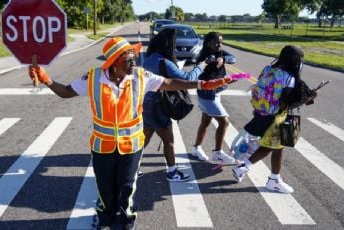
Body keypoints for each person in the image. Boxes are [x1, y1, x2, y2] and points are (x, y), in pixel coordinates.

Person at [28, 37, 232, 230]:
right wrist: (46, 79)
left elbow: (170, 83)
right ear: (114, 62)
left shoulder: (140, 77)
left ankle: (125, 218)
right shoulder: (93, 78)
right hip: (103, 145)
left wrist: (202, 84)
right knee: (104, 185)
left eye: (134, 57)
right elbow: (65, 92)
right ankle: (104, 216)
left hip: (132, 145)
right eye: (128, 59)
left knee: (127, 185)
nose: (134, 62)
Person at [232, 45, 318, 194]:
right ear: (296, 61)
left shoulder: (268, 70)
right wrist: (308, 98)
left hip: (261, 112)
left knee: (278, 146)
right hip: (276, 117)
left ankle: (274, 178)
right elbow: (286, 104)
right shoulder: (289, 78)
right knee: (271, 146)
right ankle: (245, 168)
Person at [142, 28, 209, 182]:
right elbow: (187, 78)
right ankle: (172, 173)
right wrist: (201, 66)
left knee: (144, 140)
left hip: (146, 104)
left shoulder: (149, 58)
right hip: (159, 106)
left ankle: (132, 167)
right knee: (169, 142)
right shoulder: (164, 62)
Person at [190, 31, 237, 163]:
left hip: (215, 93)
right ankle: (217, 153)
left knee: (205, 122)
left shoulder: (221, 53)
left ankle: (196, 148)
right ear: (208, 43)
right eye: (216, 42)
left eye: (221, 42)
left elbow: (233, 58)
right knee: (224, 122)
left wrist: (224, 59)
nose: (219, 44)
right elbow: (203, 67)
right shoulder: (204, 57)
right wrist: (211, 61)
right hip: (207, 94)